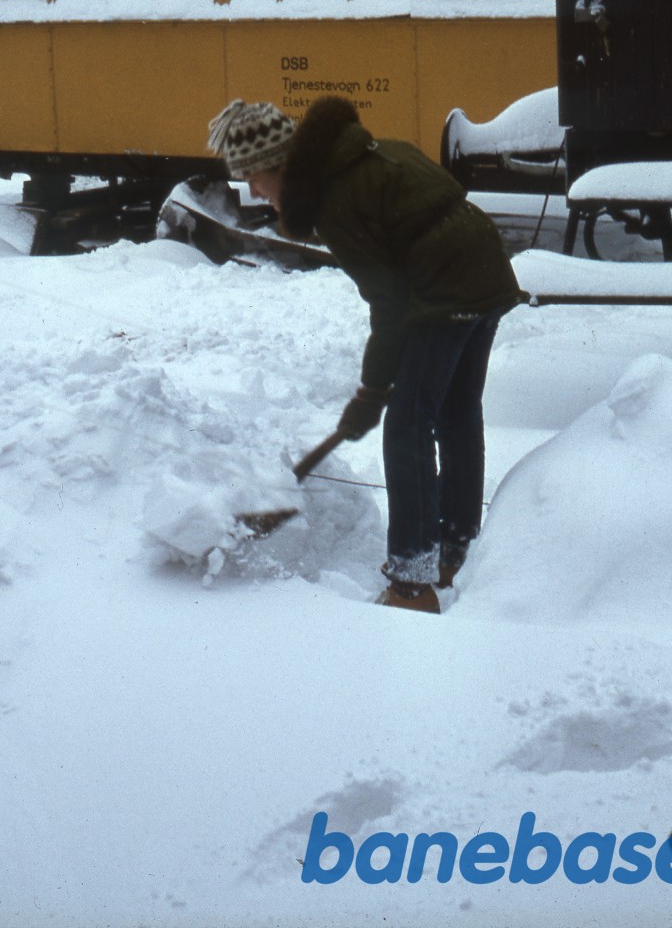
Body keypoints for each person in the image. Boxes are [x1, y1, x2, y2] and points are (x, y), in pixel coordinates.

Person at [207, 95, 522, 614]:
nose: (253, 192)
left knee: (407, 426)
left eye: (253, 178)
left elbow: (390, 304)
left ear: (276, 165)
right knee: (456, 413)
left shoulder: (337, 199)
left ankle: (411, 583)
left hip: (445, 292)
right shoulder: (366, 156)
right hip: (484, 277)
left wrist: (373, 392)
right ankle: (455, 547)